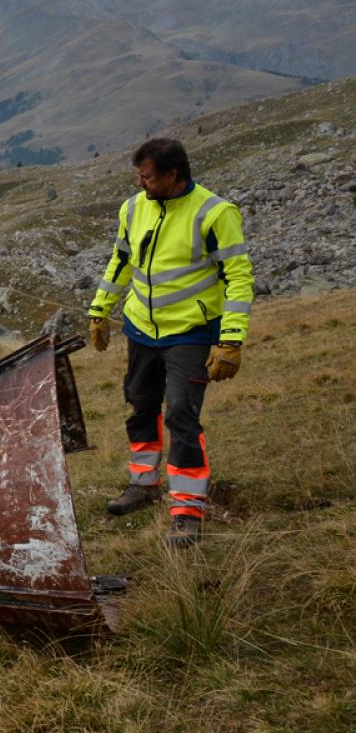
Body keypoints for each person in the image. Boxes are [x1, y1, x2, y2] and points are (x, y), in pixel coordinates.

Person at [86, 138, 254, 546]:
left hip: (192, 334)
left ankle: (187, 508)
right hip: (141, 328)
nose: (140, 182)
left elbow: (238, 277)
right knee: (141, 405)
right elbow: (121, 260)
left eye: (147, 176)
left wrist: (231, 340)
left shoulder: (215, 213)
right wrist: (99, 310)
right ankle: (142, 484)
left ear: (171, 175)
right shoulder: (133, 208)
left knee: (180, 413)